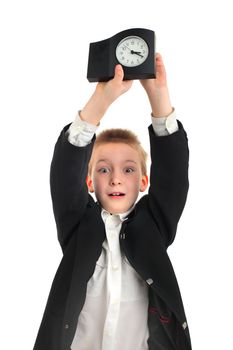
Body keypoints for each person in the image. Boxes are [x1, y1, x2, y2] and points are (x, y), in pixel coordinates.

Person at [33, 53, 191, 350]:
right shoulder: (78, 225)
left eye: (128, 169)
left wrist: (159, 98)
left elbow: (173, 178)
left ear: (144, 182)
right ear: (89, 181)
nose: (116, 178)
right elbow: (64, 175)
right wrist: (100, 101)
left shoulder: (153, 227)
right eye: (104, 169)